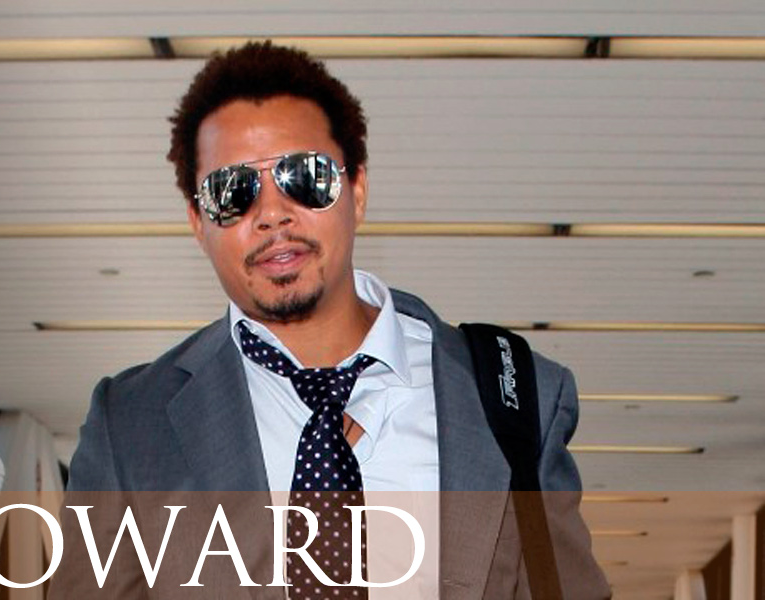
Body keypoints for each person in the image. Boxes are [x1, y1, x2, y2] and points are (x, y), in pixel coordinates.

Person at [59, 41, 610, 599]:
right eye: (231, 191)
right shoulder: (131, 425)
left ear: (358, 190)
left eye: (305, 176)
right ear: (198, 223)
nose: (272, 214)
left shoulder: (512, 399)